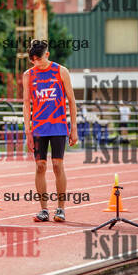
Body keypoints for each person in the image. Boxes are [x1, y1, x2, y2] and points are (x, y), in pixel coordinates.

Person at [22, 40, 78, 223]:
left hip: (58, 126)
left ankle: (60, 208)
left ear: (47, 54)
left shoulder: (61, 71)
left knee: (57, 165)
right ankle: (44, 210)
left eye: (39, 59)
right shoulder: (28, 75)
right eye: (33, 60)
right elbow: (26, 104)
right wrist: (28, 132)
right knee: (40, 166)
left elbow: (72, 101)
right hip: (39, 127)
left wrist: (74, 128)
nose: (36, 63)